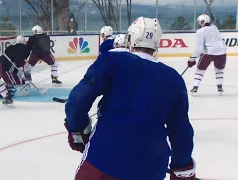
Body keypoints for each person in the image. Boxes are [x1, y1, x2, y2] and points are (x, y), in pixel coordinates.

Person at [64, 17, 195, 180]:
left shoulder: (112, 60)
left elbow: (77, 100)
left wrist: (78, 129)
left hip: (103, 160)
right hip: (151, 168)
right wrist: (182, 168)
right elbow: (181, 132)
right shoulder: (174, 79)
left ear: (130, 37)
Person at [187, 14, 226, 95]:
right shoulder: (214, 27)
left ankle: (195, 88)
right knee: (219, 69)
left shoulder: (200, 31)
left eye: (199, 22)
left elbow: (199, 49)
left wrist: (192, 59)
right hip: (222, 52)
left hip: (209, 52)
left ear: (202, 22)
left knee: (200, 70)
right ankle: (220, 87)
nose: (198, 24)